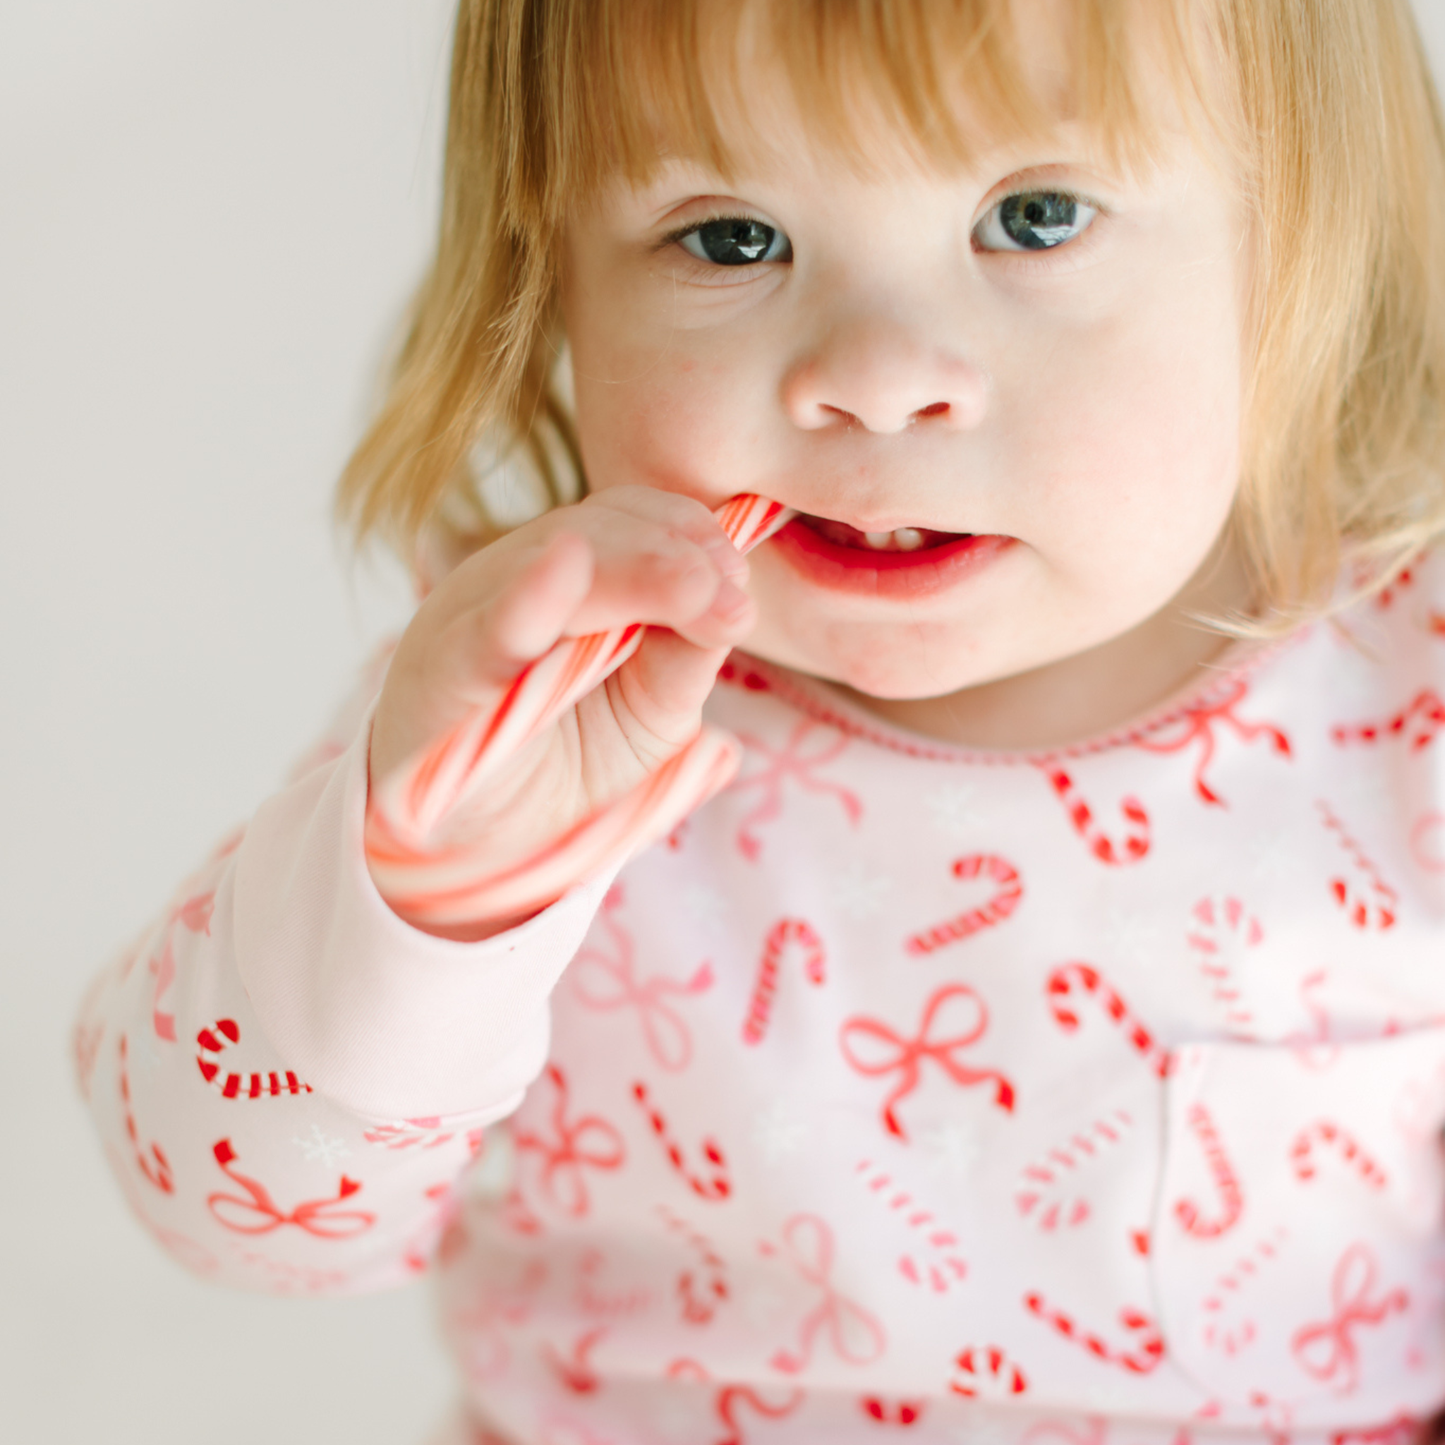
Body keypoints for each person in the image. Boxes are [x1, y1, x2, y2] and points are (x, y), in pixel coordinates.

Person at [75, 0, 1445, 1440]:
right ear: (553, 288)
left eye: (1034, 217)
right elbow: (238, 1220)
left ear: (1304, 241)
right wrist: (429, 910)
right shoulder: (552, 732)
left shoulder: (1402, 714)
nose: (871, 375)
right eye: (732, 239)